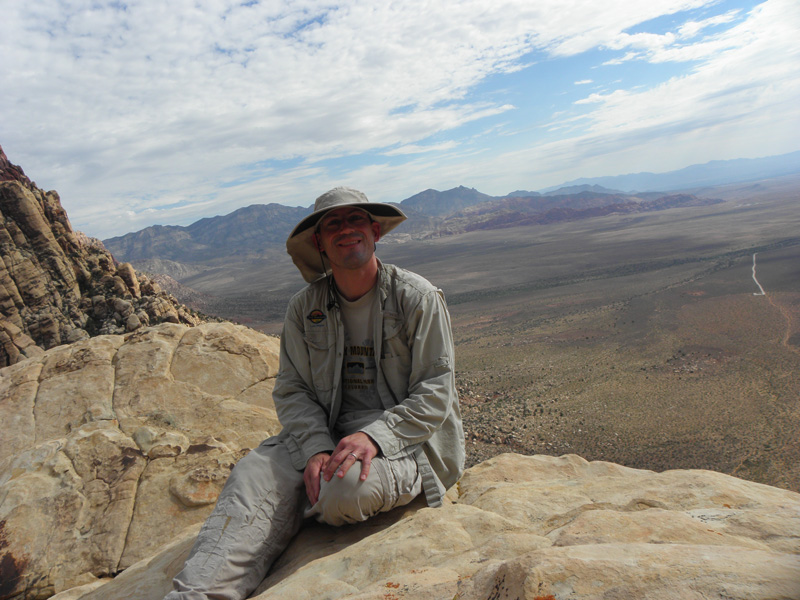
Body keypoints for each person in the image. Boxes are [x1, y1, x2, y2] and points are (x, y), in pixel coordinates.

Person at [166, 187, 464, 600]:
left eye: (355, 220)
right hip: (326, 434)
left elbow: (435, 391)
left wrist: (374, 437)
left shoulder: (417, 298)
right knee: (251, 474)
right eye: (333, 224)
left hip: (401, 441)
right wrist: (315, 449)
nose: (346, 230)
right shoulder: (305, 308)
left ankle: (289, 509)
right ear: (320, 243)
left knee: (344, 490)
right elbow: (293, 390)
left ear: (375, 231)